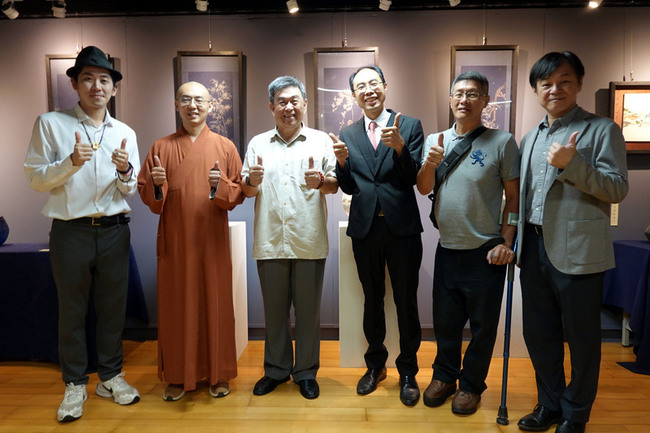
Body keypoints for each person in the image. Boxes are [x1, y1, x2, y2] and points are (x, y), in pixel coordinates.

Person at [24, 46, 141, 422]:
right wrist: (70, 162)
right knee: (71, 311)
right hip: (70, 231)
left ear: (114, 88)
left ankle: (110, 377)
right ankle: (74, 383)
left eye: (104, 80)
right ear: (74, 84)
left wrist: (125, 172)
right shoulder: (51, 123)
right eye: (88, 78)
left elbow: (130, 189)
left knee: (112, 310)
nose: (97, 86)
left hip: (114, 231)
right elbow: (35, 178)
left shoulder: (124, 132)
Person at [516, 51, 628, 433]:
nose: (555, 89)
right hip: (533, 249)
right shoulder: (530, 137)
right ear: (535, 91)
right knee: (539, 334)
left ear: (579, 83)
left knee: (582, 339)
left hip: (579, 250)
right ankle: (549, 404)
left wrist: (573, 164)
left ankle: (576, 413)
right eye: (546, 83)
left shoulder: (602, 129)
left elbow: (617, 188)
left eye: (564, 81)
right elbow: (523, 198)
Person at [416, 71, 520, 415]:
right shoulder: (436, 139)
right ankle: (445, 377)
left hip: (486, 251)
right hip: (448, 247)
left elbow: (514, 197)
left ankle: (471, 385)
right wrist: (429, 162)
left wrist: (507, 242)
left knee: (482, 326)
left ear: (486, 100)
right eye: (458, 93)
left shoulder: (502, 142)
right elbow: (423, 187)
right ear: (450, 99)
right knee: (445, 322)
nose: (464, 99)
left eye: (473, 94)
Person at [137, 81, 244, 401]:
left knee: (215, 304)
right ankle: (177, 375)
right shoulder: (160, 146)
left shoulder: (225, 146)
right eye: (186, 100)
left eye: (199, 100)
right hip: (176, 241)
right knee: (176, 307)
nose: (192, 105)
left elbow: (238, 193)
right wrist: (157, 184)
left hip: (212, 240)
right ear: (176, 105)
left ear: (210, 105)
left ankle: (218, 373)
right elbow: (149, 196)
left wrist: (219, 184)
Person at [332, 65, 424, 406]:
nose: (368, 90)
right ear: (354, 95)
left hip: (402, 228)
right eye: (361, 86)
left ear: (385, 86)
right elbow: (350, 186)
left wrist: (400, 148)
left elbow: (413, 178)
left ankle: (408, 371)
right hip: (365, 229)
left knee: (406, 300)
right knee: (372, 299)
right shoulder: (348, 132)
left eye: (374, 83)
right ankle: (375, 365)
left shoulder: (409, 125)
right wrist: (342, 164)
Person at [241, 76, 338, 400]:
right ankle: (276, 370)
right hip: (270, 240)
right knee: (274, 313)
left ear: (305, 104)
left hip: (308, 239)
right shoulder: (258, 144)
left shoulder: (320, 141)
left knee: (308, 315)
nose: (289, 107)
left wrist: (320, 182)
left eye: (294, 100)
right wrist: (252, 181)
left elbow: (334, 185)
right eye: (281, 102)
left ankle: (306, 373)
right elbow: (247, 190)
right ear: (271, 107)